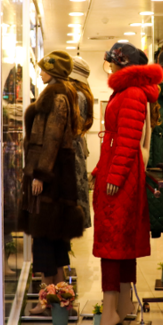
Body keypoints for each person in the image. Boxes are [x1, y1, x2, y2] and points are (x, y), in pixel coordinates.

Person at [91, 42, 163, 325]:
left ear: (123, 66)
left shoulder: (131, 93)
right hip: (117, 171)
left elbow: (130, 139)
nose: (110, 67)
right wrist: (101, 169)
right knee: (119, 243)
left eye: (113, 63)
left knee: (112, 242)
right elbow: (119, 139)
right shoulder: (127, 92)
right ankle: (123, 305)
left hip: (121, 176)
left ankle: (111, 312)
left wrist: (115, 174)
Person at [19, 51, 85, 313]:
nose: (40, 71)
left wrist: (40, 174)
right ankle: (60, 299)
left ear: (53, 71)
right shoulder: (58, 94)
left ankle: (46, 300)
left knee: (44, 241)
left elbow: (53, 138)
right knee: (54, 240)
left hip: (50, 179)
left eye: (44, 68)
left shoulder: (57, 97)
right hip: (56, 176)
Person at [69, 56, 93, 230]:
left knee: (75, 193)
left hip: (72, 152)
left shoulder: (77, 96)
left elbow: (72, 129)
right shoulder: (81, 94)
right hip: (75, 151)